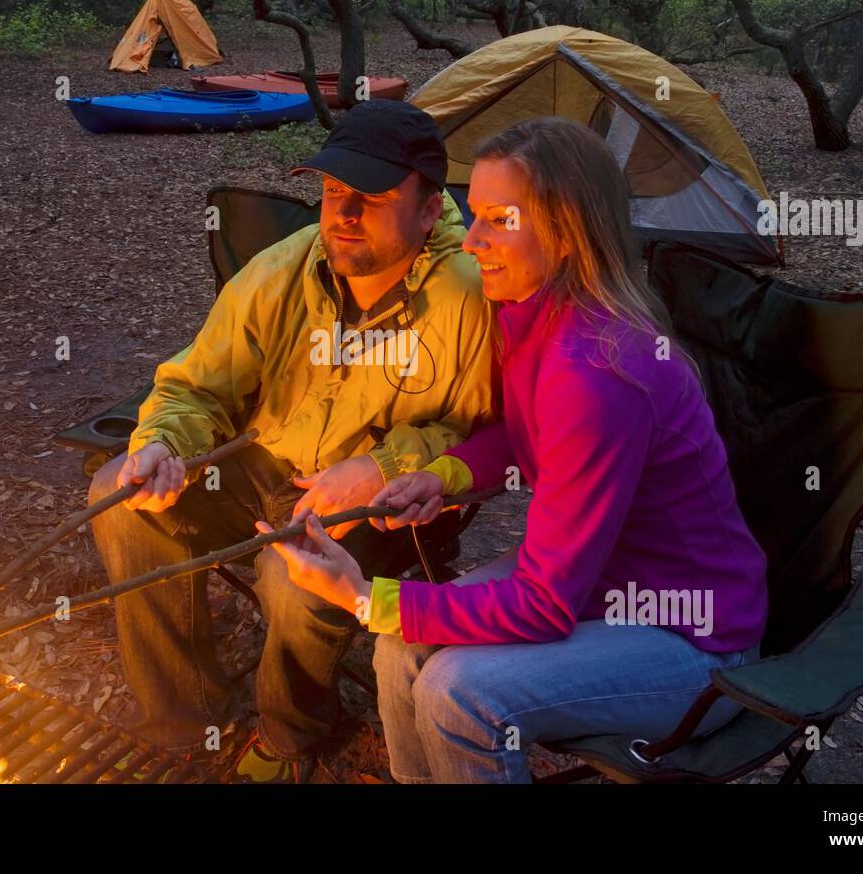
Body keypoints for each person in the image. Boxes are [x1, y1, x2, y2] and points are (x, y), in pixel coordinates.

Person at [262, 116, 769, 783]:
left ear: (566, 233)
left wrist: (361, 595)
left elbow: (542, 603)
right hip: (603, 580)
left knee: (458, 692)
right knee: (399, 648)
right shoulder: (530, 313)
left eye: (500, 220)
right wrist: (443, 474)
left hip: (693, 638)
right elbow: (520, 434)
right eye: (473, 215)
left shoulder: (599, 372)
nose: (471, 242)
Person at [87, 100, 496, 783]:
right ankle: (187, 718)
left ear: (428, 213)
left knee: (294, 574)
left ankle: (291, 734)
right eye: (334, 191)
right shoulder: (286, 268)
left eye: (371, 197)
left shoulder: (465, 297)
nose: (342, 213)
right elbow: (198, 385)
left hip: (379, 502)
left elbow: (477, 437)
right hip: (267, 458)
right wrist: (161, 441)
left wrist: (383, 464)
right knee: (118, 494)